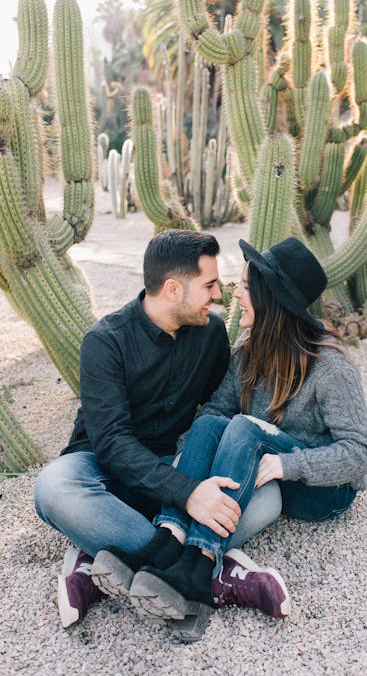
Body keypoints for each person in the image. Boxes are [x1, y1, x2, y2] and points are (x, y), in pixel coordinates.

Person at [92, 236, 367, 623]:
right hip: (263, 470)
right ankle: (168, 540)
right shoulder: (247, 352)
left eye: (245, 287)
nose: (234, 295)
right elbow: (215, 412)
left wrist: (286, 465)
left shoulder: (330, 367)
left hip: (322, 491)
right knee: (212, 421)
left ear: (269, 299)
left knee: (243, 427)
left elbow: (362, 453)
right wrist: (183, 457)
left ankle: (200, 560)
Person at [34, 230, 283, 629]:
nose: (218, 296)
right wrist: (189, 495)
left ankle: (113, 558)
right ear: (172, 289)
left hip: (176, 461)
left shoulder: (211, 334)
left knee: (268, 498)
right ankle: (200, 566)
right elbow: (112, 443)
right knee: (53, 487)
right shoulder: (106, 342)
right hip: (105, 472)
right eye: (209, 285)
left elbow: (219, 408)